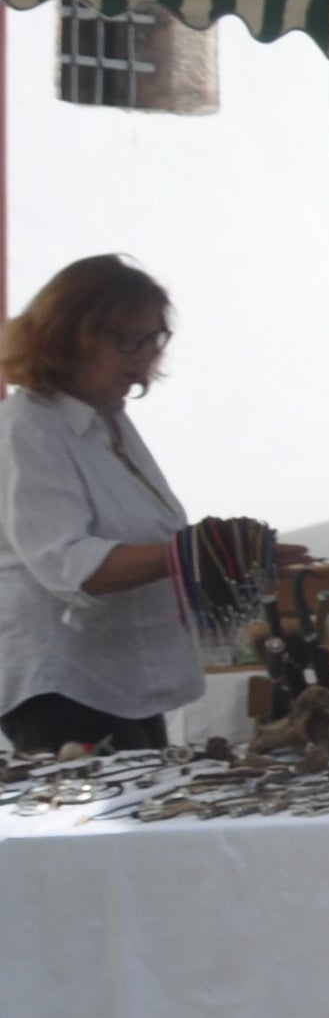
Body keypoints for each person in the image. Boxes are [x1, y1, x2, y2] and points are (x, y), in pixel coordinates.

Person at [1, 257, 219, 755]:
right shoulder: (28, 427)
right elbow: (70, 565)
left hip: (124, 683)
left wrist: (233, 559)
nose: (143, 356)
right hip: (64, 689)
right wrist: (194, 554)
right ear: (67, 334)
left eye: (152, 340)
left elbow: (155, 540)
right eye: (128, 340)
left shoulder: (107, 420)